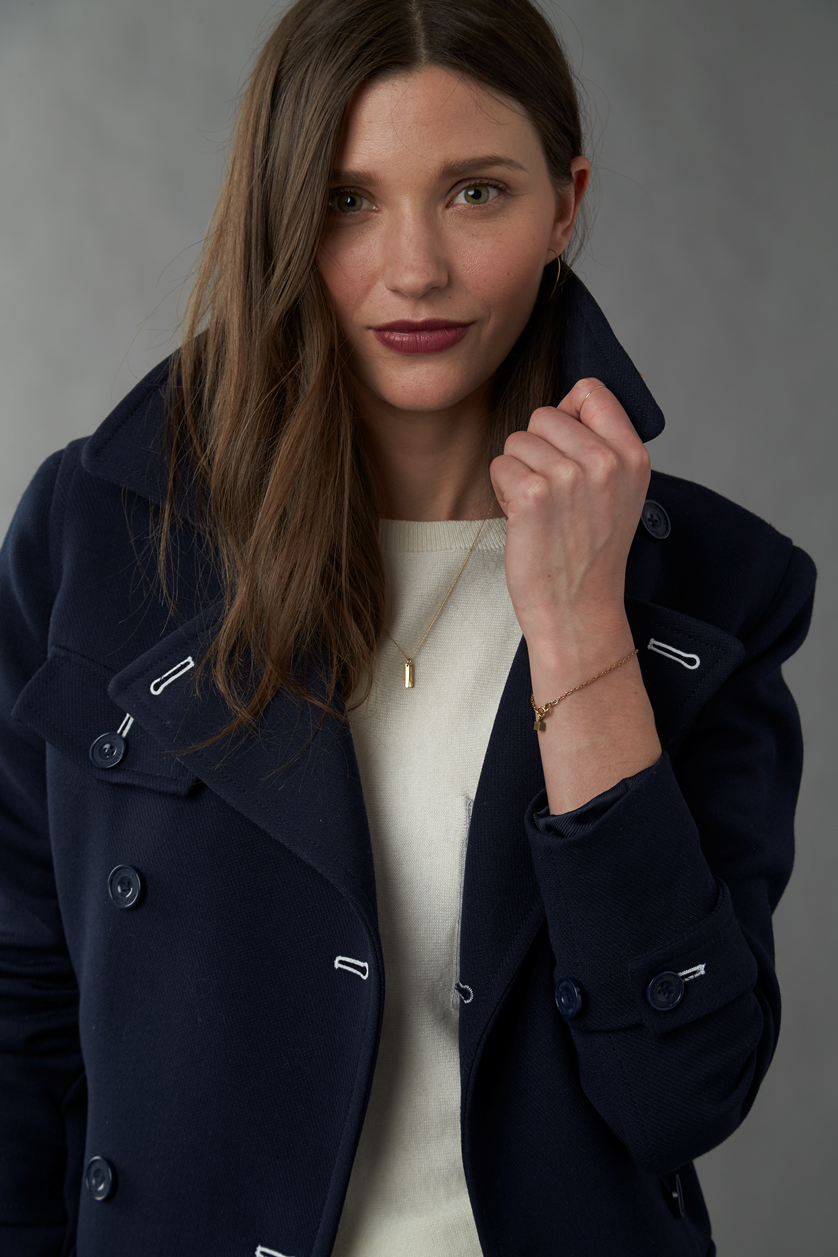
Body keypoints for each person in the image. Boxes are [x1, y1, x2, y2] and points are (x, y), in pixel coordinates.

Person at [0, 0, 816, 1253]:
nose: (415, 267)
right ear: (277, 214)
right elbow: (16, 1011)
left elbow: (681, 1094)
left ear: (565, 204)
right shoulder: (97, 538)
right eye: (347, 200)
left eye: (476, 193)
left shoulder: (711, 591)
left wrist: (582, 633)